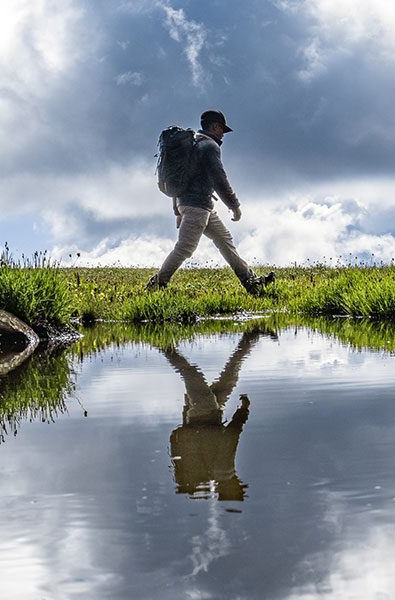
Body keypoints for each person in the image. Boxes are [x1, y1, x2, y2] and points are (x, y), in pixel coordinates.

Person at [149, 110, 276, 295]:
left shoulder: (193, 143)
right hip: (197, 207)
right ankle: (157, 285)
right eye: (222, 129)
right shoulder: (209, 146)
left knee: (225, 241)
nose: (223, 134)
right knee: (185, 247)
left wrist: (177, 210)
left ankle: (252, 283)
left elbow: (180, 179)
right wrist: (234, 206)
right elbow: (219, 179)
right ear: (215, 126)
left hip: (197, 206)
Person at [161, 327, 266, 501]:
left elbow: (233, 435)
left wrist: (243, 410)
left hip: (205, 412)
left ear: (231, 488)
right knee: (231, 374)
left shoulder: (223, 472)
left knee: (191, 373)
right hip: (210, 414)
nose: (239, 481)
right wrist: (186, 411)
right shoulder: (211, 478)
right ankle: (251, 336)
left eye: (238, 486)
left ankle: (164, 346)